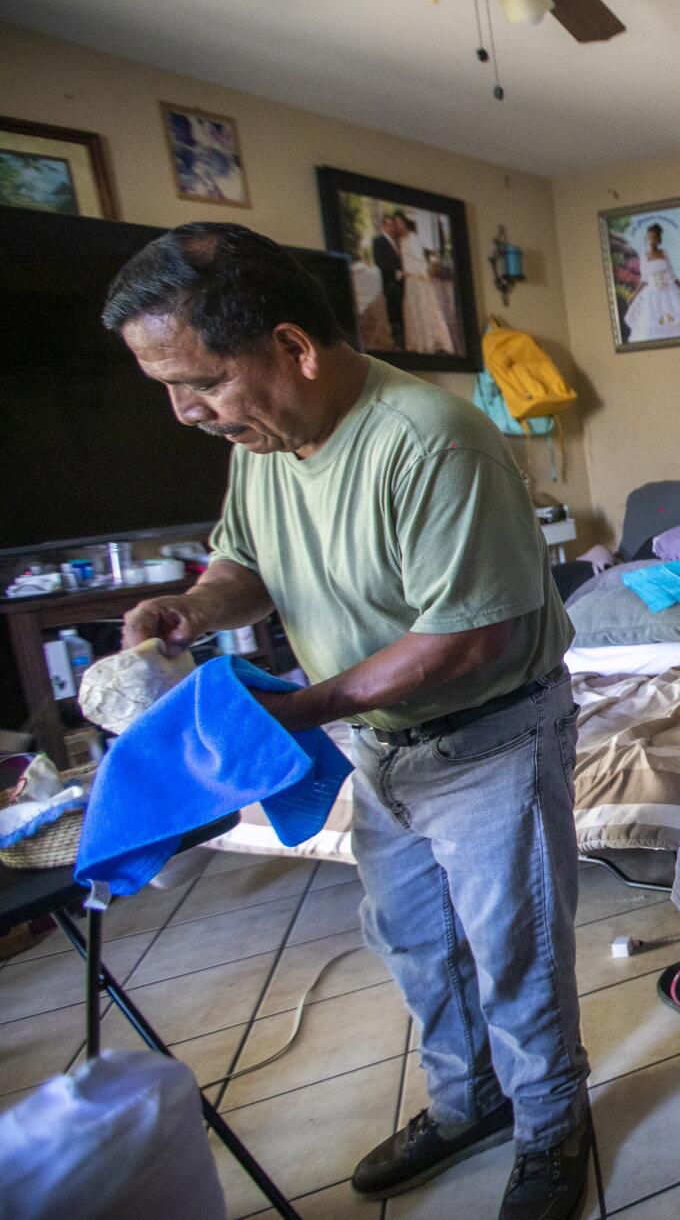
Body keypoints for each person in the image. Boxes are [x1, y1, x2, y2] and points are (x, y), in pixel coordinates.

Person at [104, 222, 592, 1220]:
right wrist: (196, 608)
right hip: (383, 747)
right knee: (414, 942)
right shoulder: (263, 440)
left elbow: (470, 639)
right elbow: (248, 564)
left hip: (491, 738)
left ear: (292, 347)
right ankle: (468, 1103)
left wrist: (304, 707)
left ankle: (552, 1125)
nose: (183, 411)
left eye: (198, 380)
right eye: (164, 387)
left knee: (514, 951)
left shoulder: (433, 437)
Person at [623, 222, 680, 342]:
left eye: (654, 238)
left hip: (668, 291)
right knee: (651, 321)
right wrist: (634, 295)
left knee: (676, 319)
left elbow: (672, 275)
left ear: (659, 239)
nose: (651, 240)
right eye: (649, 238)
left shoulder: (664, 253)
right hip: (652, 293)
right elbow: (644, 279)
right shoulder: (644, 256)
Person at [397, 211, 457, 355]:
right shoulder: (402, 241)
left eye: (399, 223)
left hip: (419, 281)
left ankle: (433, 342)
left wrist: (416, 274)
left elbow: (421, 263)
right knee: (414, 312)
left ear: (405, 223)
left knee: (425, 311)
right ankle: (418, 343)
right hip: (410, 282)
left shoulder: (413, 239)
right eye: (396, 223)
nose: (398, 226)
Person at [370, 212, 406, 350]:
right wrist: (396, 272)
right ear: (384, 226)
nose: (393, 228)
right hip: (390, 282)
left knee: (401, 310)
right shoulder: (378, 242)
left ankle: (402, 334)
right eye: (390, 225)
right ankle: (398, 339)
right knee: (394, 311)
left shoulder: (397, 242)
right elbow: (380, 262)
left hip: (401, 282)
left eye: (393, 225)